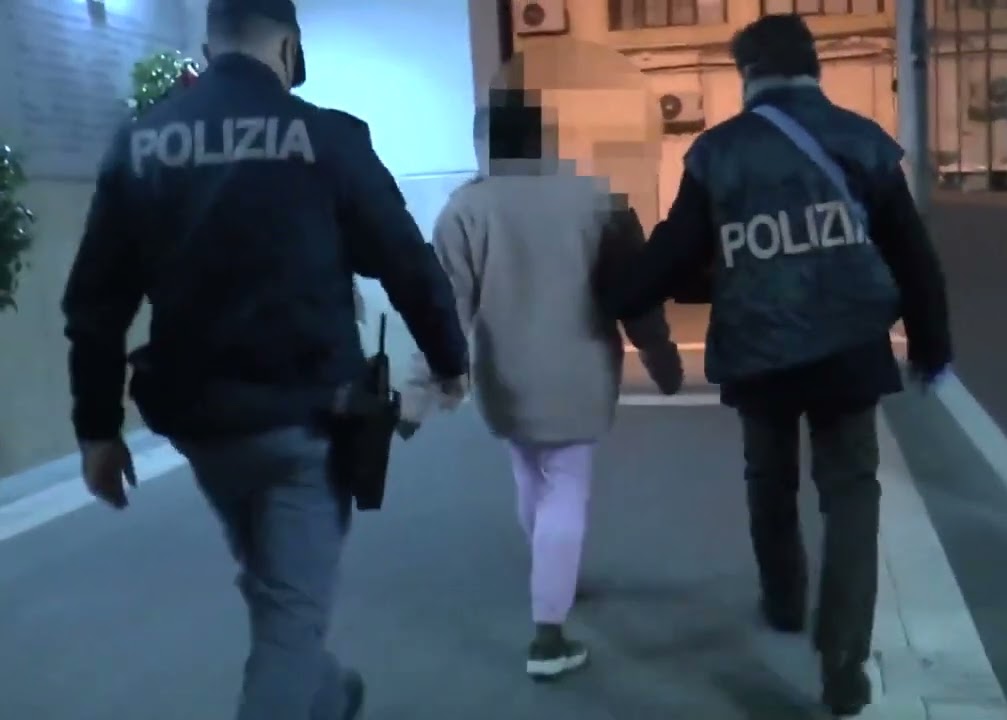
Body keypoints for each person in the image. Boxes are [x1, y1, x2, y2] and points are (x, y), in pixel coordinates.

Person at [60, 0, 469, 718]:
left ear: (209, 47)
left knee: (277, 584)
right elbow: (406, 261)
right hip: (306, 421)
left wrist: (97, 431)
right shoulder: (328, 138)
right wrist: (448, 358)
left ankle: (328, 695)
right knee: (289, 613)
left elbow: (96, 304)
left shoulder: (141, 144)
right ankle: (309, 691)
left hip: (201, 426)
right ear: (288, 49)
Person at [601, 14, 952, 719]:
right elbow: (911, 252)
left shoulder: (718, 152)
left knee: (769, 479)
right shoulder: (862, 140)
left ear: (748, 75)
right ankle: (844, 660)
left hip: (759, 352)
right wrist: (931, 343)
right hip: (849, 348)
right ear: (813, 66)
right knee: (851, 494)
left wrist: (614, 300)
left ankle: (785, 599)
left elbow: (675, 250)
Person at [400, 95, 683, 681]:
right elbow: (634, 292)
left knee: (530, 475)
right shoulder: (598, 200)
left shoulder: (464, 210)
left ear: (485, 144)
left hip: (505, 377)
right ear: (545, 142)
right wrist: (660, 356)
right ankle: (548, 634)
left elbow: (444, 311)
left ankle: (553, 575)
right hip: (580, 371)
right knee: (566, 488)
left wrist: (417, 397)